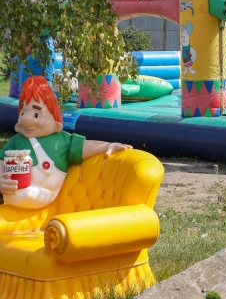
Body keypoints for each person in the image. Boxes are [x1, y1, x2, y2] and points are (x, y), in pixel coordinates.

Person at [0, 76, 132, 209]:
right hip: (14, 189)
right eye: (23, 113)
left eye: (36, 115)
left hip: (42, 193)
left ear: (54, 119)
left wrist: (108, 145)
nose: (26, 121)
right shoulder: (16, 140)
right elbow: (1, 161)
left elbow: (84, 146)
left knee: (26, 194)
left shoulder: (62, 140)